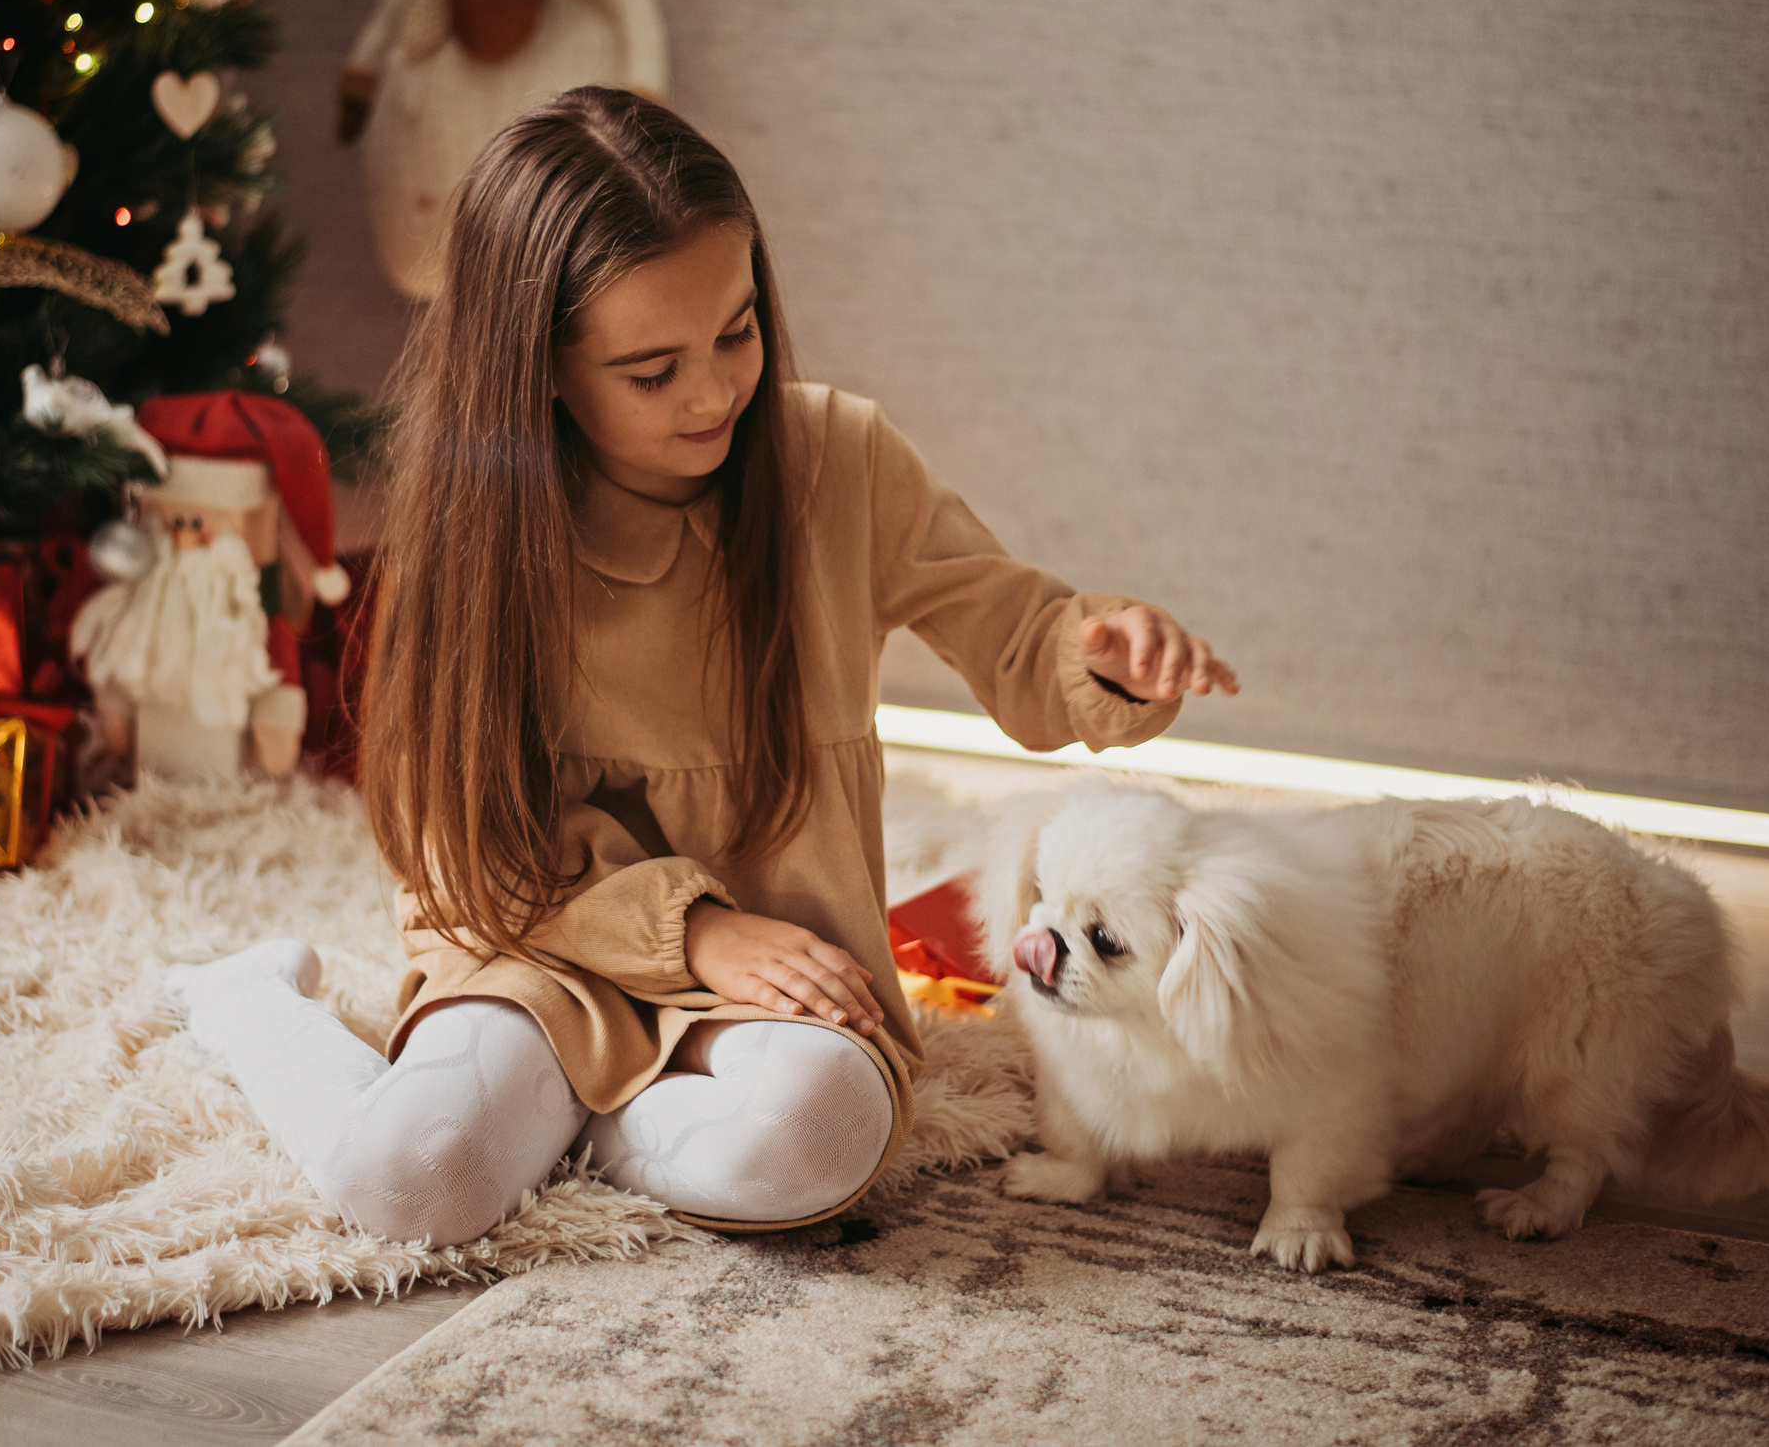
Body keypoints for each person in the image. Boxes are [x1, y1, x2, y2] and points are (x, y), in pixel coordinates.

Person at [168, 86, 1239, 1245]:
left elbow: (1016, 634)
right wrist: (694, 933)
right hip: (544, 937)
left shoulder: (839, 459)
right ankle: (249, 999)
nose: (715, 389)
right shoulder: (477, 527)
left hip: (781, 962)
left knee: (822, 1133)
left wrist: (1105, 655)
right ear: (539, 367)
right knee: (406, 1183)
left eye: (737, 330)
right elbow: (457, 843)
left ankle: (549, 1121)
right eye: (651, 369)